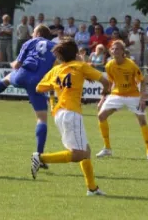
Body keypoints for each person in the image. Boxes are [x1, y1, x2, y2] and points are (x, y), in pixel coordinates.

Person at [30, 38, 109, 197]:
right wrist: (104, 94)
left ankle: (92, 188)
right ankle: (41, 158)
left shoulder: (57, 70)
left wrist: (53, 95)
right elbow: (105, 81)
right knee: (78, 153)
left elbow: (39, 88)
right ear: (75, 53)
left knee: (86, 150)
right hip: (71, 113)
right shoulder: (80, 66)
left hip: (60, 113)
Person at [0, 25, 57, 162]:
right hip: (37, 82)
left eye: (33, 32)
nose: (31, 34)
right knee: (41, 118)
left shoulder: (29, 42)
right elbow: (56, 67)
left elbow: (17, 65)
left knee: (8, 78)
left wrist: (12, 63)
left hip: (22, 75)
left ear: (38, 33)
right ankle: (39, 155)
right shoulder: (55, 47)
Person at [95, 40, 148, 160]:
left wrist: (142, 99)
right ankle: (107, 148)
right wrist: (103, 98)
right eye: (112, 49)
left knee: (142, 121)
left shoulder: (131, 64)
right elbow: (111, 83)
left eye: (117, 49)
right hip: (117, 94)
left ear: (123, 51)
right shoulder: (109, 65)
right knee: (101, 116)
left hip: (133, 95)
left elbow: (142, 81)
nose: (114, 51)